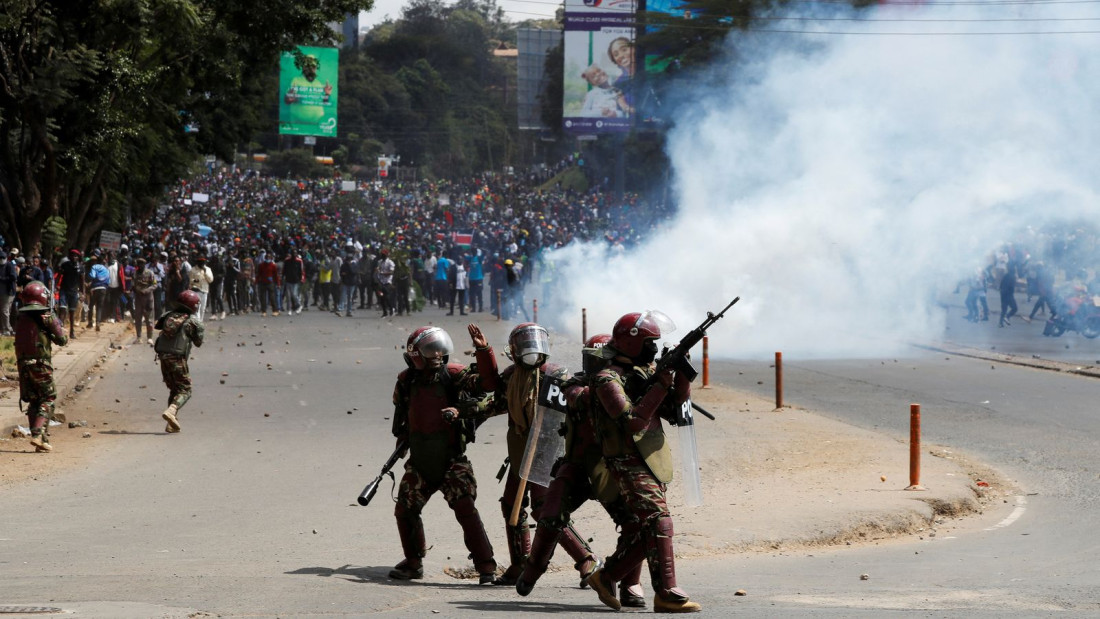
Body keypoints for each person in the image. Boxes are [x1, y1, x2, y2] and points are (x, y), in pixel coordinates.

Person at [514, 334, 646, 607]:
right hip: (575, 465)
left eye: (601, 360)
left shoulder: (625, 384)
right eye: (592, 359)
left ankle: (630, 583)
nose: (595, 366)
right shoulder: (575, 385)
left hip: (613, 468)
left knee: (636, 522)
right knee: (549, 515)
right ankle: (533, 570)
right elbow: (580, 398)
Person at [585, 311, 702, 613]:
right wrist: (661, 382)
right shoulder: (605, 379)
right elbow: (632, 423)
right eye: (650, 342)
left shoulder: (644, 372)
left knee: (647, 530)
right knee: (659, 522)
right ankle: (666, 593)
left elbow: (676, 411)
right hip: (625, 461)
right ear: (631, 343)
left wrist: (683, 376)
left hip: (650, 459)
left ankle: (607, 576)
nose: (654, 348)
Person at [465, 323, 598, 587]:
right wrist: (483, 352)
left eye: (533, 344)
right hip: (519, 451)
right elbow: (495, 399)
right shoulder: (511, 376)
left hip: (548, 452)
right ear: (514, 351)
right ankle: (520, 563)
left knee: (543, 509)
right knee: (511, 505)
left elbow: (571, 409)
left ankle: (586, 560)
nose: (530, 350)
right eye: (524, 345)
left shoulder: (556, 375)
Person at [388, 326, 498, 585]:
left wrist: (484, 350)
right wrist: (401, 447)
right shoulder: (405, 382)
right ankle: (413, 563)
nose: (437, 355)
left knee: (465, 509)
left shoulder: (454, 375)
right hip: (420, 462)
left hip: (452, 460)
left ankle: (486, 567)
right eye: (430, 350)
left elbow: (488, 382)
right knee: (405, 510)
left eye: (440, 349)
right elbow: (403, 424)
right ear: (416, 354)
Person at [14, 281, 68, 452]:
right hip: (41, 364)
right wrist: (54, 331)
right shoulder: (47, 315)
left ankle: (40, 440)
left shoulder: (20, 317)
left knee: (34, 400)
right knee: (48, 398)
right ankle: (37, 434)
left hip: (23, 365)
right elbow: (62, 339)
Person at [154, 290, 205, 433]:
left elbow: (159, 327)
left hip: (163, 357)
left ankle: (171, 423)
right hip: (177, 358)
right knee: (186, 390)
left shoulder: (167, 316)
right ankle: (172, 410)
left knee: (175, 389)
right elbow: (198, 342)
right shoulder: (192, 322)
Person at [56, 249, 84, 338]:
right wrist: (56, 286)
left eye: (76, 256)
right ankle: (59, 331)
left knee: (72, 312)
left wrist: (82, 293)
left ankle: (72, 331)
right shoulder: (65, 265)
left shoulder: (81, 268)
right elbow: (59, 275)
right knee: (62, 309)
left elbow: (82, 281)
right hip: (64, 290)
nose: (74, 257)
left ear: (78, 257)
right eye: (72, 255)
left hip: (74, 292)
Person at [131, 258, 158, 345]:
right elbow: (133, 285)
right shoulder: (135, 273)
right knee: (138, 318)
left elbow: (154, 285)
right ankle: (139, 337)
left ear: (144, 264)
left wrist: (146, 290)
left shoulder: (150, 273)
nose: (140, 265)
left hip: (148, 298)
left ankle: (149, 337)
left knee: (149, 319)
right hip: (138, 298)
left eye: (142, 264)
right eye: (138, 264)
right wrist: (136, 290)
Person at [85, 251, 110, 332]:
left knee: (91, 305)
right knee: (99, 307)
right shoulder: (105, 269)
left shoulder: (94, 267)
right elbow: (108, 281)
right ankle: (98, 323)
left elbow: (92, 276)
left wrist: (89, 281)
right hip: (103, 289)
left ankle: (90, 323)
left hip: (94, 289)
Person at [188, 255, 213, 322]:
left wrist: (205, 272)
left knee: (203, 308)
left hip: (205, 291)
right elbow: (190, 281)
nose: (202, 263)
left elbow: (210, 280)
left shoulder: (208, 269)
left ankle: (200, 322)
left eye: (203, 262)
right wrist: (195, 281)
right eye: (200, 262)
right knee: (197, 308)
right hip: (196, 290)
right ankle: (197, 322)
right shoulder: (193, 270)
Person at [256, 252, 279, 316]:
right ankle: (264, 311)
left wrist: (278, 283)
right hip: (263, 282)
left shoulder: (273, 265)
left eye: (269, 257)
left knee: (272, 297)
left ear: (271, 258)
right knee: (263, 298)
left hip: (270, 283)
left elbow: (276, 275)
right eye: (266, 257)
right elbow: (259, 274)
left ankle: (275, 310)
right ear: (265, 258)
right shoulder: (261, 265)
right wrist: (256, 281)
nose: (268, 258)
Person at [0, 249, 17, 336]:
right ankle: (5, 329)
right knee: (4, 311)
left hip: (8, 292)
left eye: (3, 258)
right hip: (1, 292)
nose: (1, 259)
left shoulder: (9, 265)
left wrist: (2, 278)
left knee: (4, 311)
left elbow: (13, 277)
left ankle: (6, 330)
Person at [375, 248, 396, 317]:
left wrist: (383, 273)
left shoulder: (390, 262)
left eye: (383, 254)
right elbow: (378, 269)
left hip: (388, 282)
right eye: (382, 254)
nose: (382, 255)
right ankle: (384, 312)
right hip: (381, 281)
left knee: (386, 296)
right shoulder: (379, 262)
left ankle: (391, 308)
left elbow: (391, 272)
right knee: (381, 296)